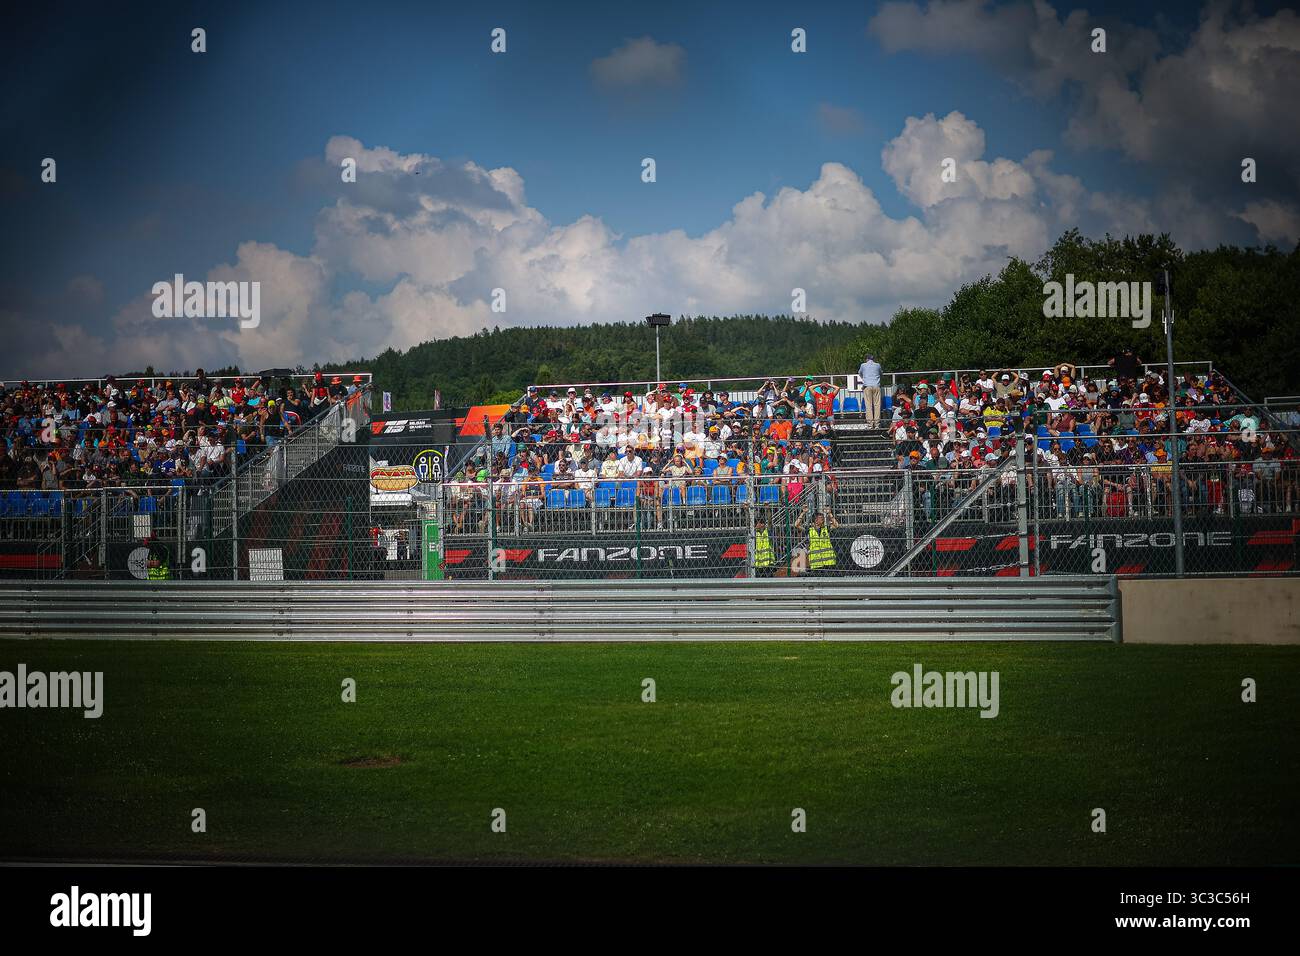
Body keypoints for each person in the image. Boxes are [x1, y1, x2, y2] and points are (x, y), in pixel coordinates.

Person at [795, 510, 839, 574]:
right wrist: (803, 513)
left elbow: (836, 525)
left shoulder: (826, 529)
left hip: (829, 561)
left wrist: (830, 513)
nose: (823, 520)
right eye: (821, 518)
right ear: (815, 520)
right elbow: (796, 524)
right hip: (816, 563)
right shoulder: (809, 530)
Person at [858, 354, 883, 428]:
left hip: (867, 386)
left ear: (866, 359)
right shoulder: (878, 365)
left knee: (868, 405)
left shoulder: (863, 365)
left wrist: (865, 378)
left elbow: (860, 373)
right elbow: (881, 373)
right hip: (876, 386)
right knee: (877, 405)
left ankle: (870, 424)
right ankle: (877, 424)